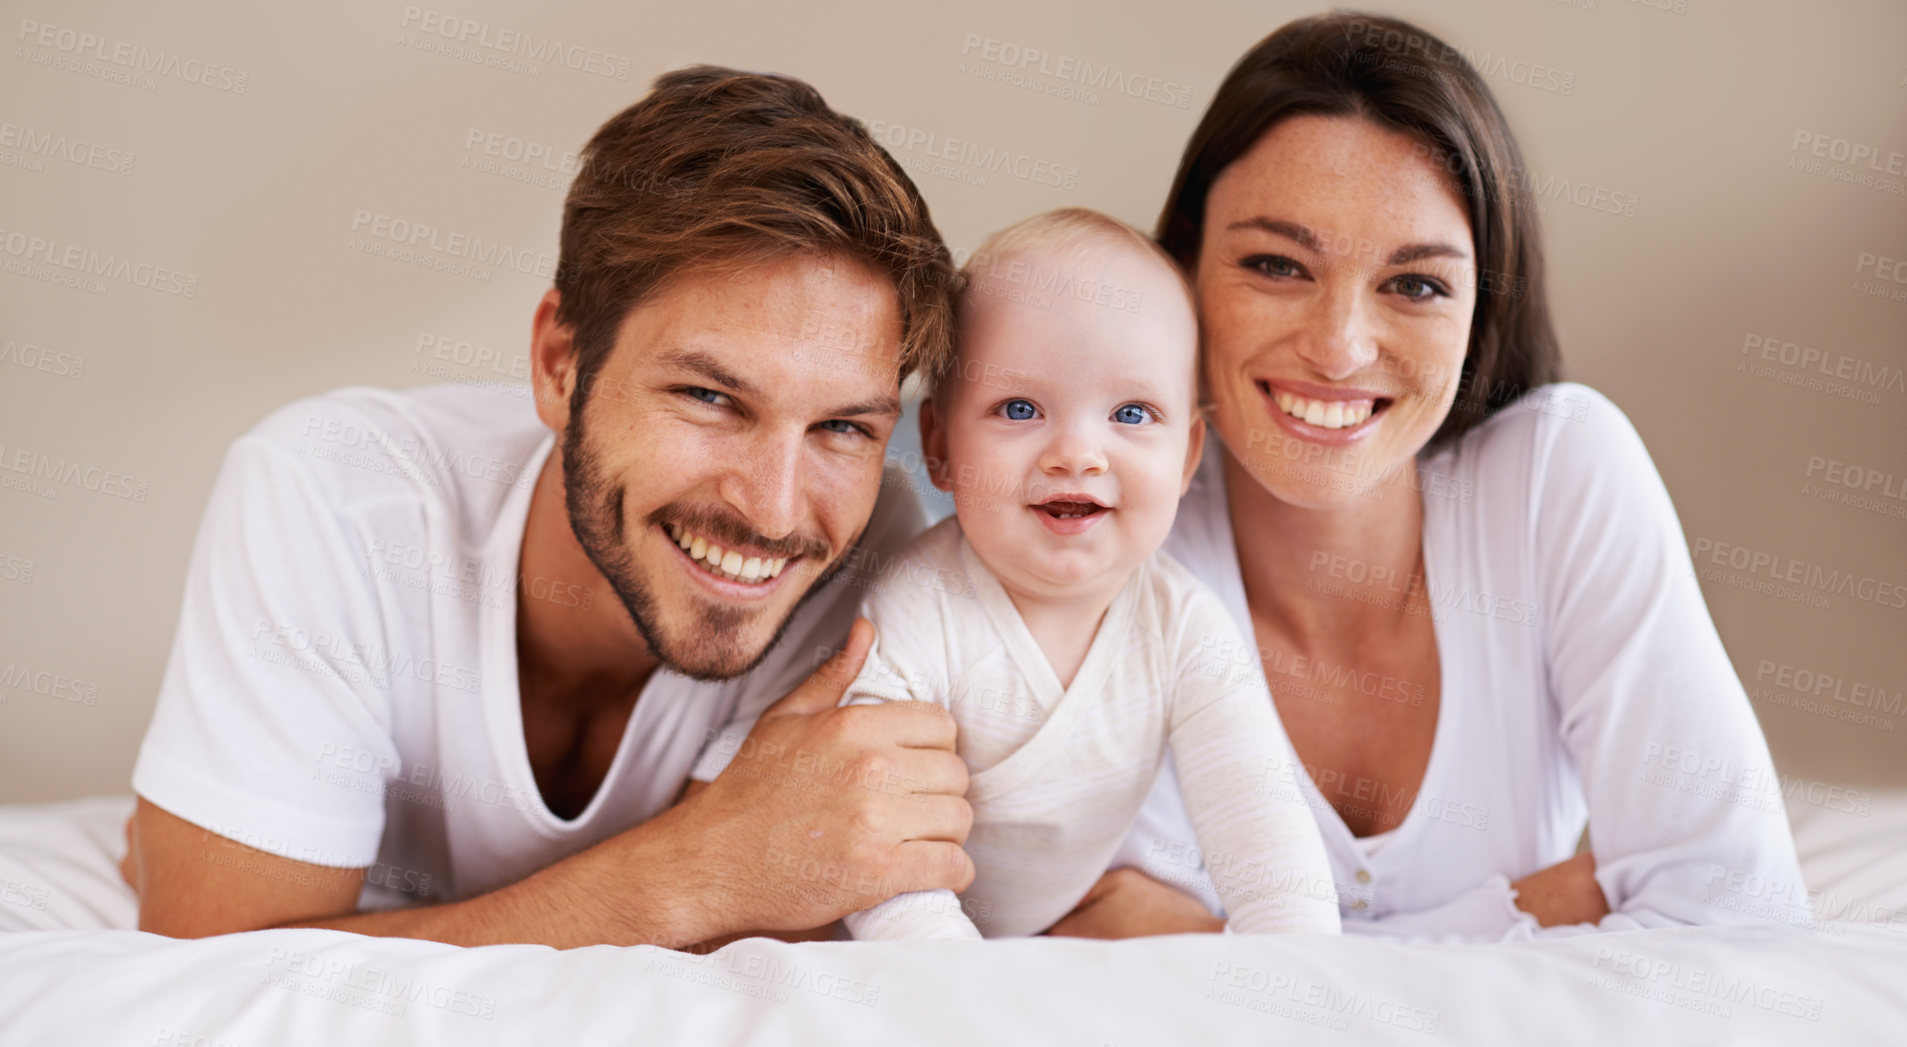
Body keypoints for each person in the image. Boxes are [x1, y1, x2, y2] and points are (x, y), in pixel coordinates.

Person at [121, 66, 979, 950]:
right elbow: (218, 969)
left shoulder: (869, 551)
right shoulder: (334, 498)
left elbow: (783, 906)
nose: (772, 509)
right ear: (560, 364)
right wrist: (701, 865)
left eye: (841, 426)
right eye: (711, 397)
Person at [1049, 13, 1808, 942]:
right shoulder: (1096, 525)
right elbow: (1086, 950)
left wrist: (1218, 939)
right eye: (1275, 264)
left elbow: (1739, 912)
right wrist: (1529, 912)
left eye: (1414, 284)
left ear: (1479, 311)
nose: (1338, 347)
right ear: (1182, 275)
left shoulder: (1557, 476)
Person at [768, 208, 1340, 940]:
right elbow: (881, 844)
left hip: (1062, 911)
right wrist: (954, 982)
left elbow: (1261, 827)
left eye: (1131, 413)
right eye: (1018, 407)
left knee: (1171, 938)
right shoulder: (918, 607)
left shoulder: (1185, 626)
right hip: (887, 923)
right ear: (939, 445)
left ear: (1187, 456)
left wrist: (1301, 971)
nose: (1077, 452)